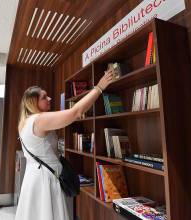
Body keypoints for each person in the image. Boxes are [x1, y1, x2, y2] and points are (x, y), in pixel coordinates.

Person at [14, 70, 115, 220]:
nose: (49, 98)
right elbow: (75, 112)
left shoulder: (25, 122)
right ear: (34, 102)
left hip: (34, 177)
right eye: (44, 97)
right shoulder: (39, 119)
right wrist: (99, 87)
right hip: (45, 179)